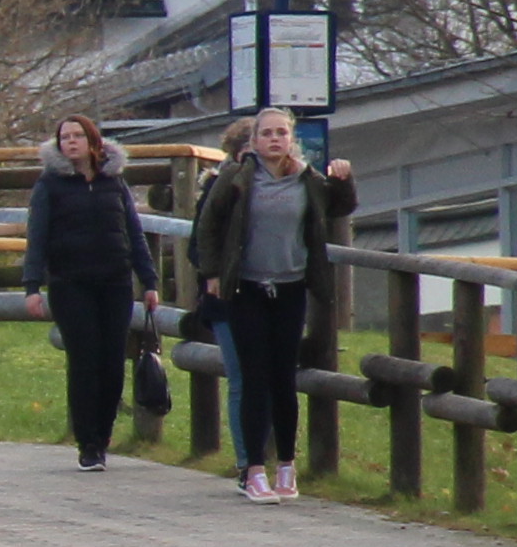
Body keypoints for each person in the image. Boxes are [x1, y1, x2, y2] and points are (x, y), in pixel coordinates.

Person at [189, 108, 355, 502]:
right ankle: (253, 470)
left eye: (282, 133)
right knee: (254, 377)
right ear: (254, 142)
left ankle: (286, 465)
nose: (275, 140)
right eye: (267, 134)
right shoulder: (235, 178)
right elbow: (207, 227)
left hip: (290, 286)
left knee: (284, 379)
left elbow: (338, 208)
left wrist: (344, 181)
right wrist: (213, 273)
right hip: (246, 287)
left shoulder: (307, 179)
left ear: (291, 139)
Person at [21, 114, 158, 472]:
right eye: (65, 137)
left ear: (93, 141)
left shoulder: (115, 183)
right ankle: (88, 443)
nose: (71, 142)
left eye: (77, 136)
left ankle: (104, 433)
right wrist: (32, 286)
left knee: (112, 362)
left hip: (114, 283)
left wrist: (149, 281)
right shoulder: (50, 185)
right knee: (84, 362)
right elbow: (37, 238)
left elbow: (133, 231)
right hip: (71, 284)